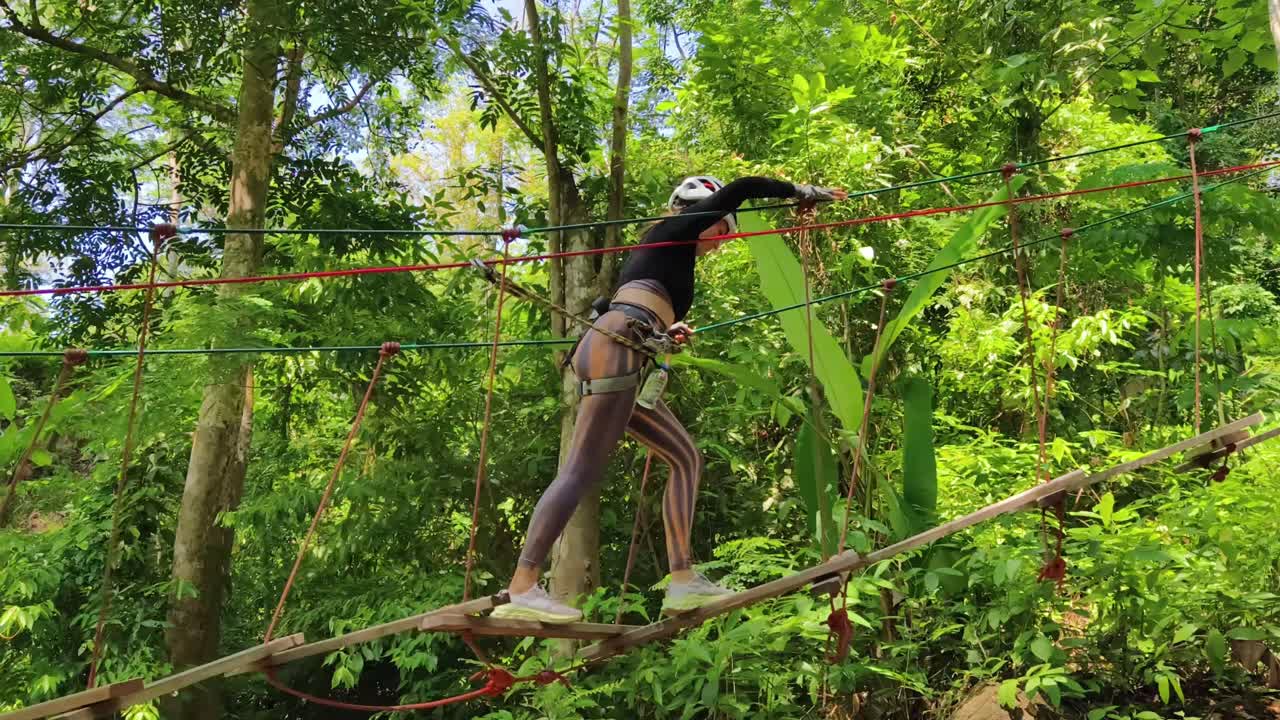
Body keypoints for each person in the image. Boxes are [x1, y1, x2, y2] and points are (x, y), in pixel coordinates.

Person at [492, 176, 848, 623]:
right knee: (581, 470)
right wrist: (800, 192)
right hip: (619, 346)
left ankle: (682, 581)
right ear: (705, 214)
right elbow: (741, 186)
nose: (723, 242)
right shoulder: (676, 227)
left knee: (685, 457)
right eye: (723, 231)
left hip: (626, 347)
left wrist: (665, 333)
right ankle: (523, 584)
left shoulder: (666, 249)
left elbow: (640, 301)